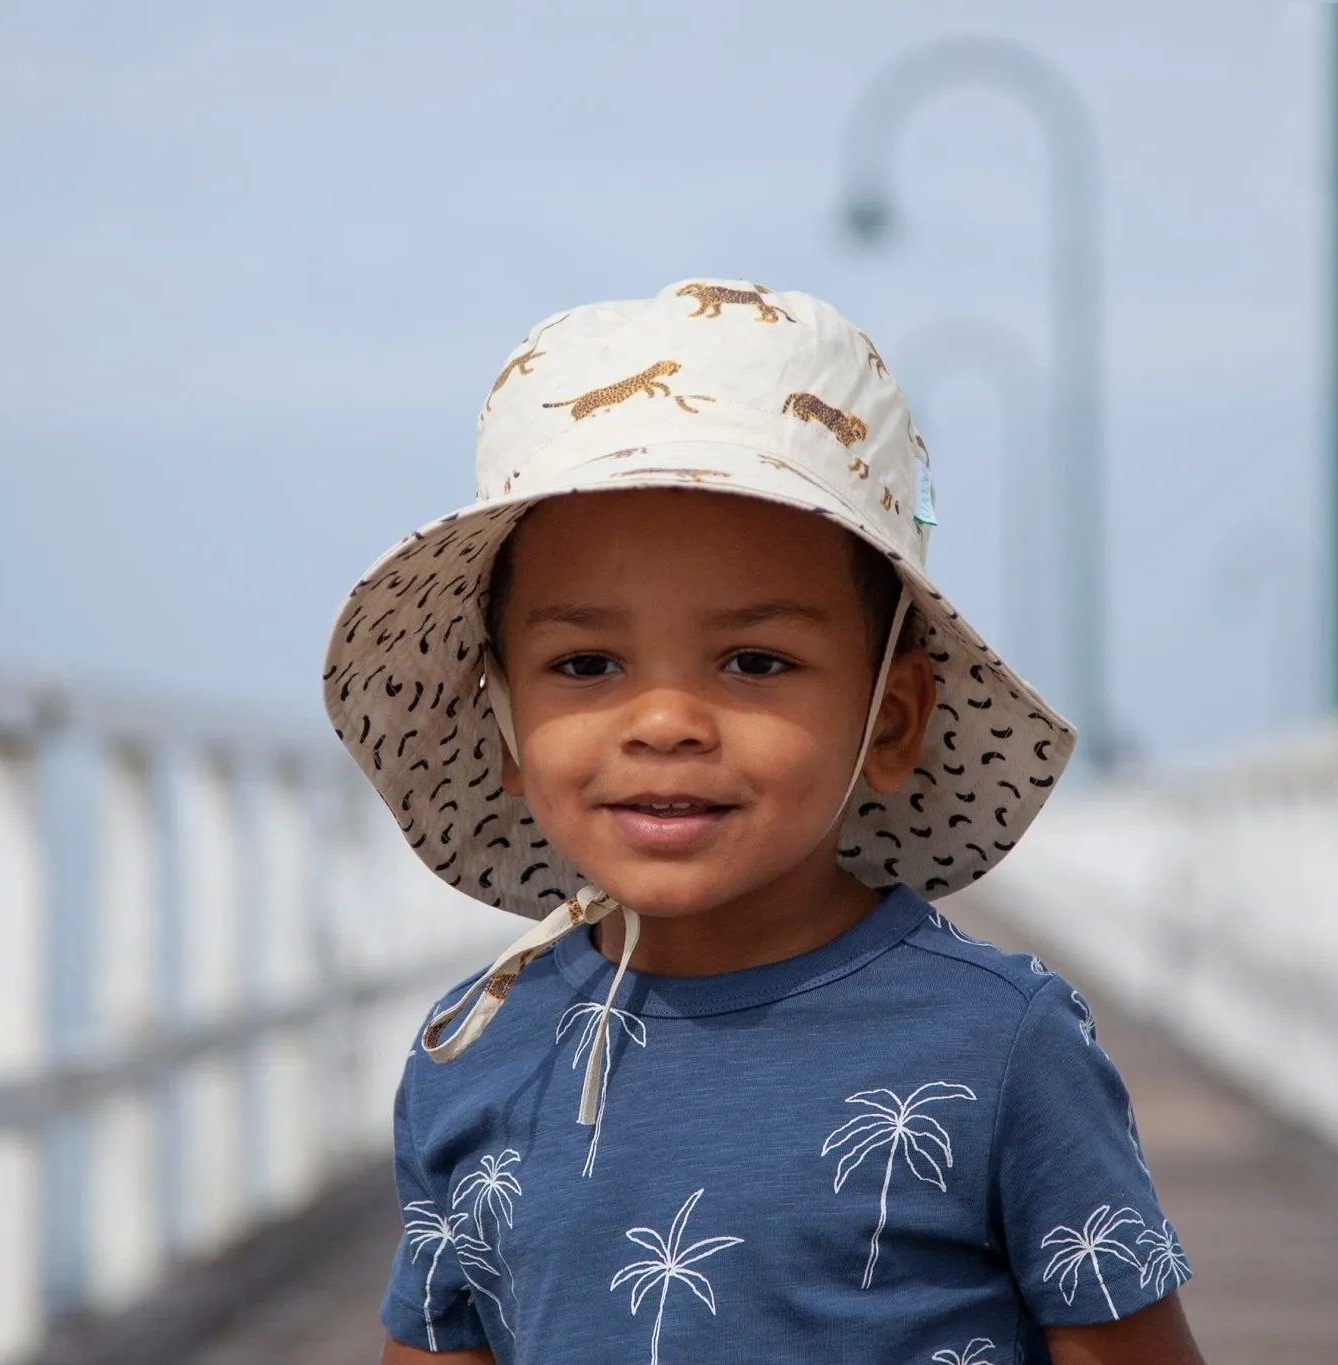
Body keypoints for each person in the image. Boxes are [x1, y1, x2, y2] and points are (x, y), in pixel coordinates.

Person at [320, 280, 1203, 1365]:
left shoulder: (1001, 1047)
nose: (664, 722)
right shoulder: (475, 1052)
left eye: (754, 661)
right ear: (502, 726)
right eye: (585, 665)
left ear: (888, 719)